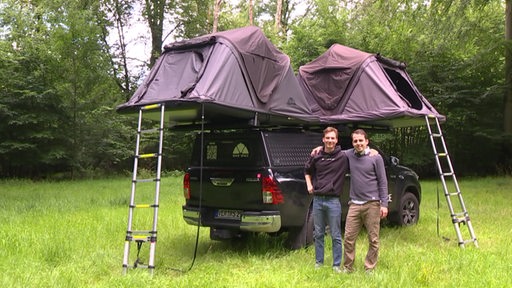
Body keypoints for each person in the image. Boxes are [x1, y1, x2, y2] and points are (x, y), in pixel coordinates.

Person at [343, 129, 388, 274]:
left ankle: (369, 267)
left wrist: (384, 204)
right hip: (354, 204)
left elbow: (382, 181)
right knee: (349, 238)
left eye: (361, 140)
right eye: (355, 141)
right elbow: (333, 151)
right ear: (353, 143)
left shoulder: (376, 157)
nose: (358, 143)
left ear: (367, 141)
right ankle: (347, 267)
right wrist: (320, 148)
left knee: (373, 239)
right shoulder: (349, 154)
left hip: (372, 204)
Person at [304, 127, 346, 273]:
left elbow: (359, 151)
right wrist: (309, 185)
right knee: (318, 233)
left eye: (332, 138)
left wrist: (372, 151)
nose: (330, 141)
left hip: (333, 201)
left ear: (336, 140)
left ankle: (336, 265)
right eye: (327, 138)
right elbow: (307, 171)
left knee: (336, 234)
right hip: (318, 200)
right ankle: (319, 263)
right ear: (323, 139)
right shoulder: (316, 155)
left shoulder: (343, 156)